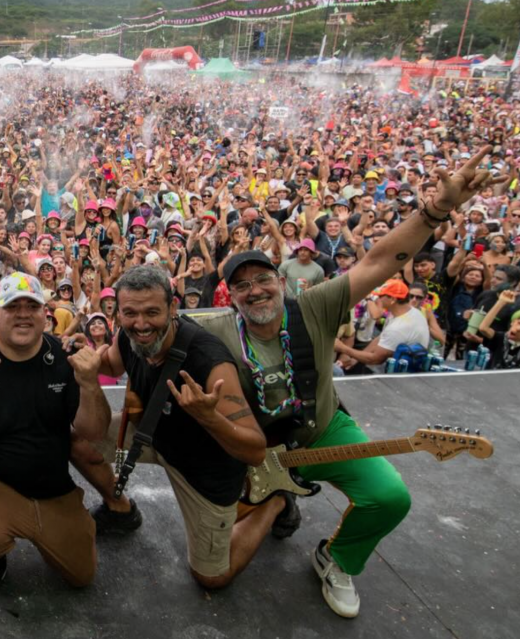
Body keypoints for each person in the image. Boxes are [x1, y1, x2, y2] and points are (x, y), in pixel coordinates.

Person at [195, 148, 501, 618]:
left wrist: (435, 210)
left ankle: (336, 559)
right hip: (254, 450)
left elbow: (380, 260)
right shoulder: (215, 327)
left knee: (390, 498)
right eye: (242, 286)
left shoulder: (315, 306)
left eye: (262, 279)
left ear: (282, 281)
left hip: (323, 431)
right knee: (218, 551)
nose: (254, 290)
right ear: (230, 296)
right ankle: (278, 500)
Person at [71, 265, 271, 590]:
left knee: (211, 578)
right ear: (118, 313)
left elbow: (255, 450)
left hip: (204, 470)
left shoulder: (209, 363)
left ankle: (273, 505)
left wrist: (210, 417)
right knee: (76, 438)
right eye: (130, 313)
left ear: (173, 308)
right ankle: (119, 509)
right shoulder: (128, 334)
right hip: (156, 435)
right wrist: (88, 361)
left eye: (152, 312)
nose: (141, 324)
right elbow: (109, 362)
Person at [0, 272, 108, 589]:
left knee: (84, 575)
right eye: (13, 306)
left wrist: (91, 384)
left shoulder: (63, 359)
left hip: (52, 487)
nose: (24, 314)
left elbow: (93, 432)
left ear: (45, 314)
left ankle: (41, 524)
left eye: (32, 306)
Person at [334, 279, 429, 370]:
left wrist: (343, 348)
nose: (377, 299)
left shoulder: (397, 328)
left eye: (380, 296)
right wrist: (355, 359)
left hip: (400, 374)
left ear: (392, 299)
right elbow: (381, 337)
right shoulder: (407, 312)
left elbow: (375, 359)